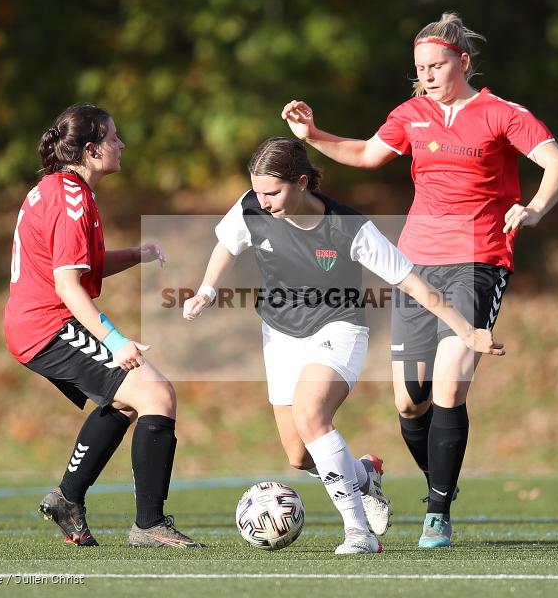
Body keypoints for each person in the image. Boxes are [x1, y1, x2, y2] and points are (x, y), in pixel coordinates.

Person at [282, 12, 558, 548]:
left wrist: (532, 209)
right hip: (416, 267)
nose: (429, 75)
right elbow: (368, 154)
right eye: (420, 68)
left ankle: (437, 511)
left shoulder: (501, 113)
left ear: (463, 61)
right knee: (409, 404)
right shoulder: (412, 114)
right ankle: (441, 481)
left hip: (479, 261)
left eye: (438, 65)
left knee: (449, 383)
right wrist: (313, 134)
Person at [183, 137, 504, 554]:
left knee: (312, 411)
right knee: (299, 456)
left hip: (338, 327)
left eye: (273, 192)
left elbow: (411, 282)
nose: (262, 201)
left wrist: (465, 330)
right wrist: (207, 290)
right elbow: (228, 242)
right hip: (279, 333)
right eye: (258, 191)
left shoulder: (348, 227)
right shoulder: (251, 205)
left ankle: (359, 532)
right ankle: (363, 475)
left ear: (302, 183)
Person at [3, 103, 201, 549]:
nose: (121, 144)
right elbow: (68, 284)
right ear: (91, 150)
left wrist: (135, 255)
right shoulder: (71, 200)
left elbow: (76, 265)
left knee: (132, 402)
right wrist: (113, 339)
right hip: (46, 326)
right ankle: (148, 525)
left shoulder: (63, 189)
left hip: (37, 323)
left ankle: (68, 499)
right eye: (113, 138)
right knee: (156, 394)